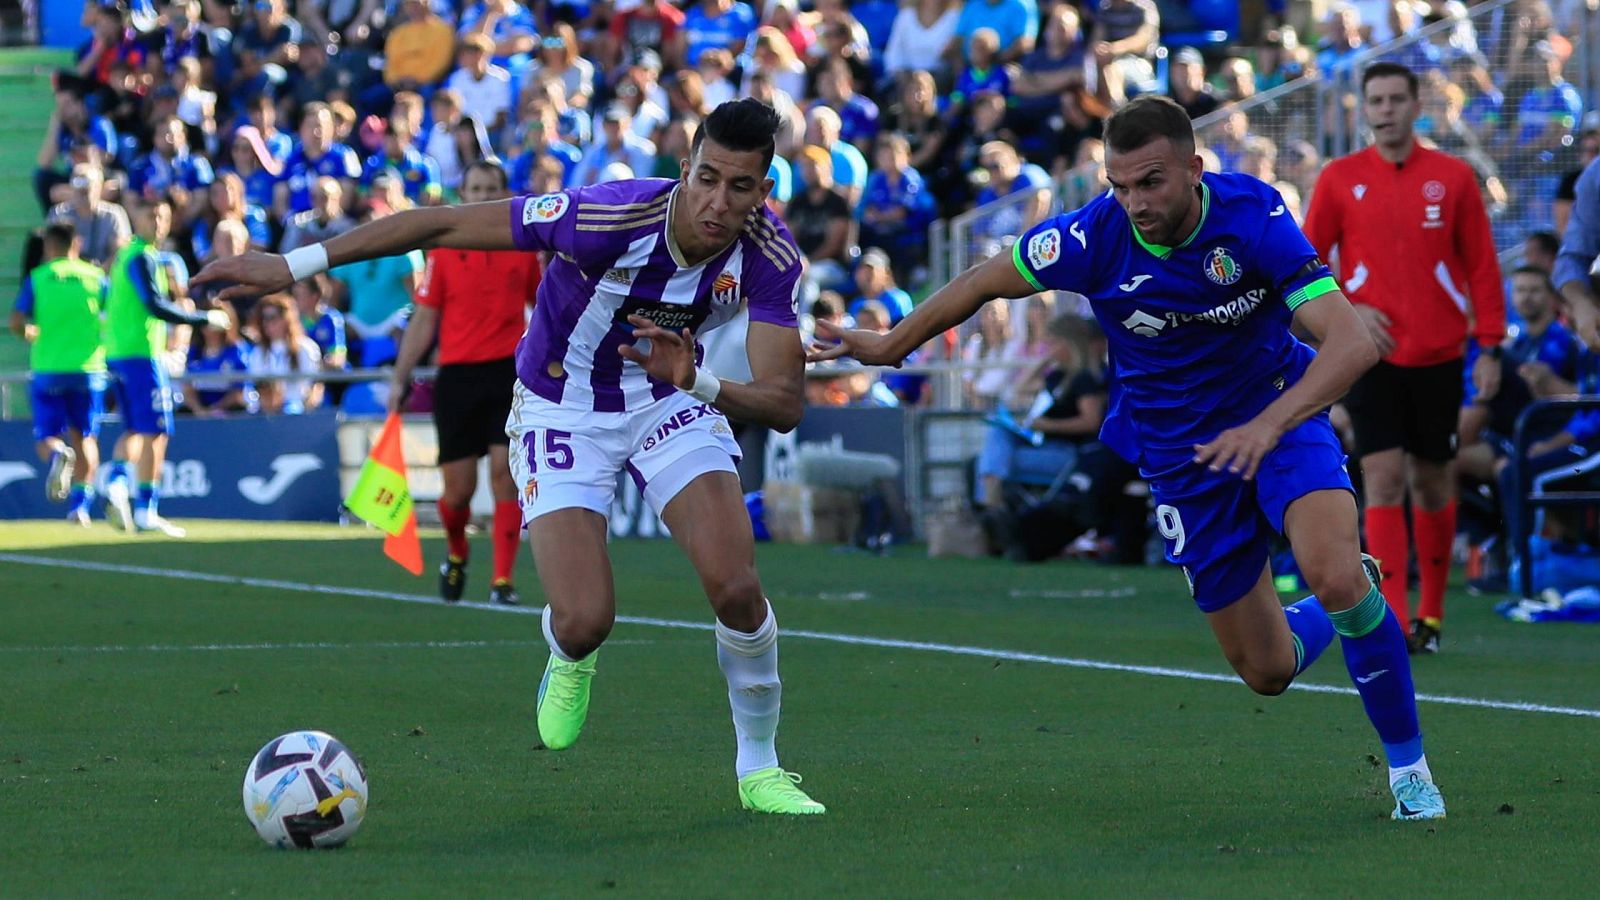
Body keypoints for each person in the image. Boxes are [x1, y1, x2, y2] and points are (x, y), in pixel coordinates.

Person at [812, 95, 1446, 822]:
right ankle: (1342, 605)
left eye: (1151, 182)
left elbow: (1353, 340)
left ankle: (1411, 774)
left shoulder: (1254, 216)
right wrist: (893, 344)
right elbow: (985, 278)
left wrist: (1269, 425)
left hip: (1277, 413)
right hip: (1180, 454)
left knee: (1330, 565)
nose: (1134, 201)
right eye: (1119, 184)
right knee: (1266, 671)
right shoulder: (1094, 237)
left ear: (1194, 171)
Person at [193, 98, 824, 816]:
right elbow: (439, 223)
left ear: (763, 192)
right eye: (707, 178)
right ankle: (567, 646)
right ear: (684, 169)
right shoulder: (602, 217)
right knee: (587, 617)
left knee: (736, 587)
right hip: (562, 405)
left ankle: (760, 767)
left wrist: (698, 381)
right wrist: (293, 262)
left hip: (668, 400)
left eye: (739, 187)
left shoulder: (770, 256)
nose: (718, 201)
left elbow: (783, 404)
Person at [1303, 62, 1506, 654]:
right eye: (1376, 100)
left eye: (1396, 99)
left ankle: (1433, 615)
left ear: (1416, 105)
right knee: (1384, 478)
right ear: (1364, 109)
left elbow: (1482, 267)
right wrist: (1350, 312)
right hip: (1371, 358)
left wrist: (1489, 345)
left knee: (1432, 481)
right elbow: (1308, 266)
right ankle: (1391, 619)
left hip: (1441, 354)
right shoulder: (1340, 178)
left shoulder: (1454, 177)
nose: (1385, 109)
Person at [388, 161, 542, 607]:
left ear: (502, 193)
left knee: (504, 477)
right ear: (463, 193)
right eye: (475, 188)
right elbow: (425, 319)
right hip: (456, 376)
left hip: (507, 373)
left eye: (490, 188)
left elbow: (546, 304)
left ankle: (502, 581)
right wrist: (401, 376)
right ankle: (457, 550)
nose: (482, 195)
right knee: (457, 492)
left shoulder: (522, 248)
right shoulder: (443, 252)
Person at [105, 199, 231, 536]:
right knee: (157, 432)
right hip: (141, 356)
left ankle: (117, 483)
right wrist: (204, 318)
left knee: (134, 429)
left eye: (163, 217)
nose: (158, 223)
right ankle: (146, 510)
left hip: (118, 354)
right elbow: (155, 306)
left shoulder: (126, 256)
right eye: (151, 216)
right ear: (136, 218)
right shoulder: (142, 256)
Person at [9, 222, 108, 525]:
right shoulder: (96, 277)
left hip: (49, 369)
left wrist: (30, 333)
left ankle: (56, 455)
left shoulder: (38, 278)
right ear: (75, 244)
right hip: (89, 369)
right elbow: (111, 315)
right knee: (86, 438)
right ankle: (80, 507)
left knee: (47, 436)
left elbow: (16, 320)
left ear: (49, 247)